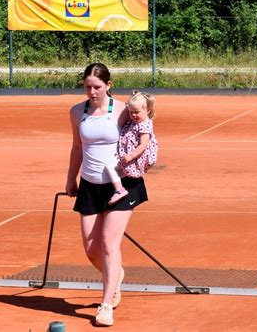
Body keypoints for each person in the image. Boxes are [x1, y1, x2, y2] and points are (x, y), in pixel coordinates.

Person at [65, 63, 149, 327]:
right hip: (90, 184)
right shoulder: (77, 112)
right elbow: (77, 146)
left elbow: (145, 129)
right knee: (91, 250)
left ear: (108, 85)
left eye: (97, 87)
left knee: (109, 243)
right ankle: (116, 275)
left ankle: (105, 305)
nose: (92, 92)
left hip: (120, 184)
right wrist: (71, 178)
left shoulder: (124, 110)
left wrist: (138, 157)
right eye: (87, 86)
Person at [109, 91, 158, 205]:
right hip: (129, 153)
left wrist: (130, 155)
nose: (133, 115)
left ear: (148, 111)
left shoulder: (144, 125)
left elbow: (143, 145)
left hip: (136, 155)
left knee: (112, 167)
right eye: (131, 113)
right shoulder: (134, 120)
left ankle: (120, 189)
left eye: (137, 112)